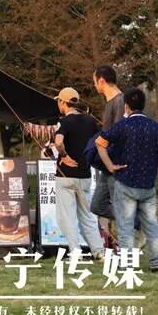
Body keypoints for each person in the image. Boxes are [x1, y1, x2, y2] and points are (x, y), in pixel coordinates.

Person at [95, 87, 158, 272]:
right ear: (143, 105)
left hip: (126, 183)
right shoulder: (156, 127)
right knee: (151, 224)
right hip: (148, 185)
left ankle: (127, 263)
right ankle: (155, 262)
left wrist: (110, 165)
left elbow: (100, 143)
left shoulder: (122, 126)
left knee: (126, 226)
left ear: (126, 106)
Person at [53, 87, 105, 260]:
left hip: (65, 176)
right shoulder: (90, 121)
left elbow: (58, 142)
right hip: (85, 175)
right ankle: (99, 251)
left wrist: (64, 156)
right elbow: (100, 143)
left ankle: (75, 253)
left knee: (66, 217)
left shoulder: (64, 122)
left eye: (59, 101)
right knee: (87, 216)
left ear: (63, 102)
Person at [89, 66, 124, 231]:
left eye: (95, 81)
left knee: (120, 206)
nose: (94, 85)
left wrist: (101, 141)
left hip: (116, 163)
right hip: (107, 164)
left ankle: (137, 224)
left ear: (101, 80)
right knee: (97, 206)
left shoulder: (120, 101)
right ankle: (137, 222)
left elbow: (120, 133)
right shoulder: (110, 102)